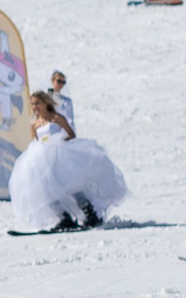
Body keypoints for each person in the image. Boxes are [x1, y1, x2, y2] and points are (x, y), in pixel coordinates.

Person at [8, 92, 128, 232]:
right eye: (33, 104)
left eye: (38, 103)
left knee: (70, 184)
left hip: (59, 155)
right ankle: (64, 218)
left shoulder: (56, 118)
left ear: (46, 103)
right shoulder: (35, 124)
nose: (35, 107)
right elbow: (37, 140)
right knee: (48, 189)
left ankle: (90, 214)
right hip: (43, 160)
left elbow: (70, 133)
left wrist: (58, 142)